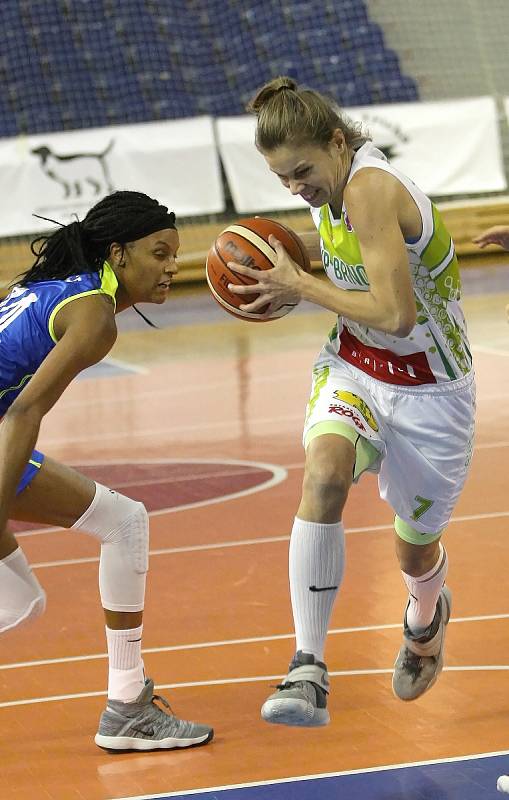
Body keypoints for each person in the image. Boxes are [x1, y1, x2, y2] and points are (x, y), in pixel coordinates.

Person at [228, 76, 475, 727]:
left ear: (338, 142)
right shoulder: (330, 188)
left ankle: (424, 620)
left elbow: (395, 313)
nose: (294, 188)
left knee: (414, 552)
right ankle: (306, 667)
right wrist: (273, 265)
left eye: (301, 171)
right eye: (281, 177)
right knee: (325, 472)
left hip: (429, 391)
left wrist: (301, 285)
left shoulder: (368, 188)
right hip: (355, 367)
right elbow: (352, 264)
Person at [0, 190, 213, 751]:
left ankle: (127, 705)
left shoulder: (48, 288)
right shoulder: (94, 315)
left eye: (175, 253)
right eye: (159, 252)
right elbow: (25, 410)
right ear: (118, 254)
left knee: (23, 599)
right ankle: (126, 705)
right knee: (123, 524)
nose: (173, 266)